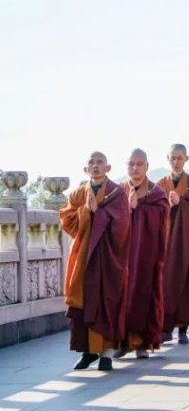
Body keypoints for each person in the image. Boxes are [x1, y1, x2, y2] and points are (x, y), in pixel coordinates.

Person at [59, 152, 131, 371]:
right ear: (85, 169)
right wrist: (85, 212)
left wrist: (97, 213)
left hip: (109, 258)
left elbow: (122, 224)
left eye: (100, 162)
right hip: (83, 258)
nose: (95, 166)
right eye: (91, 162)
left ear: (108, 168)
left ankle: (106, 353)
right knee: (84, 300)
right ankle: (88, 352)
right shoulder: (77, 194)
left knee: (107, 301)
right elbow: (66, 220)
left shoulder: (117, 193)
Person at [118, 149, 169, 359]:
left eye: (139, 164)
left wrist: (138, 208)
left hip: (146, 254)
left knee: (144, 295)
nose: (135, 168)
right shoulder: (118, 191)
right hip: (122, 254)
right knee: (121, 297)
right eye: (131, 164)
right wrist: (126, 209)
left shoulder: (156, 193)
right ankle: (122, 342)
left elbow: (163, 217)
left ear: (147, 167)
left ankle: (142, 343)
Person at [157, 144, 189, 346]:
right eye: (173, 158)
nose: (176, 162)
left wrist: (181, 204)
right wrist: (168, 204)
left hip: (187, 242)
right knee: (165, 283)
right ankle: (165, 328)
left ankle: (183, 329)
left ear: (186, 159)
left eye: (180, 158)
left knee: (185, 282)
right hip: (166, 241)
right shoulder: (159, 185)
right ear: (168, 158)